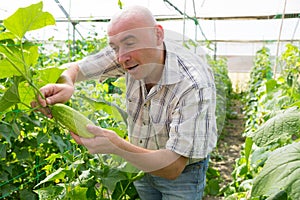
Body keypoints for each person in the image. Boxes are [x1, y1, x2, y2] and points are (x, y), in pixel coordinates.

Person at [32, 5, 218, 200]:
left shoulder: (194, 84)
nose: (121, 57)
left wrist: (116, 146)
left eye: (130, 43)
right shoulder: (127, 55)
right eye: (114, 47)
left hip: (182, 174)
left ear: (158, 35)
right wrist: (67, 83)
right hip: (138, 162)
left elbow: (173, 167)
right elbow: (77, 68)